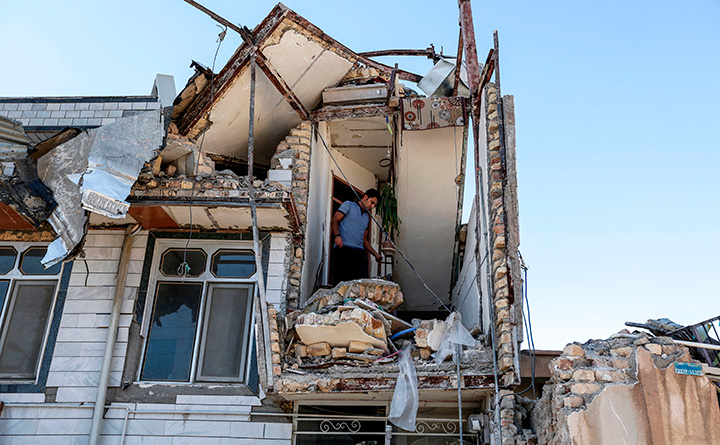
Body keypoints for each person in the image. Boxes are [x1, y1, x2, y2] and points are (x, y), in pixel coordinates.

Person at [331, 188, 382, 284]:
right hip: (344, 248)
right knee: (341, 283)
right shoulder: (348, 205)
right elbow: (334, 221)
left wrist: (375, 254)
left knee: (361, 284)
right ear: (365, 197)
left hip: (359, 252)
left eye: (374, 205)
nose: (372, 206)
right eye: (372, 202)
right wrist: (337, 236)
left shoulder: (366, 217)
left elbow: (364, 239)